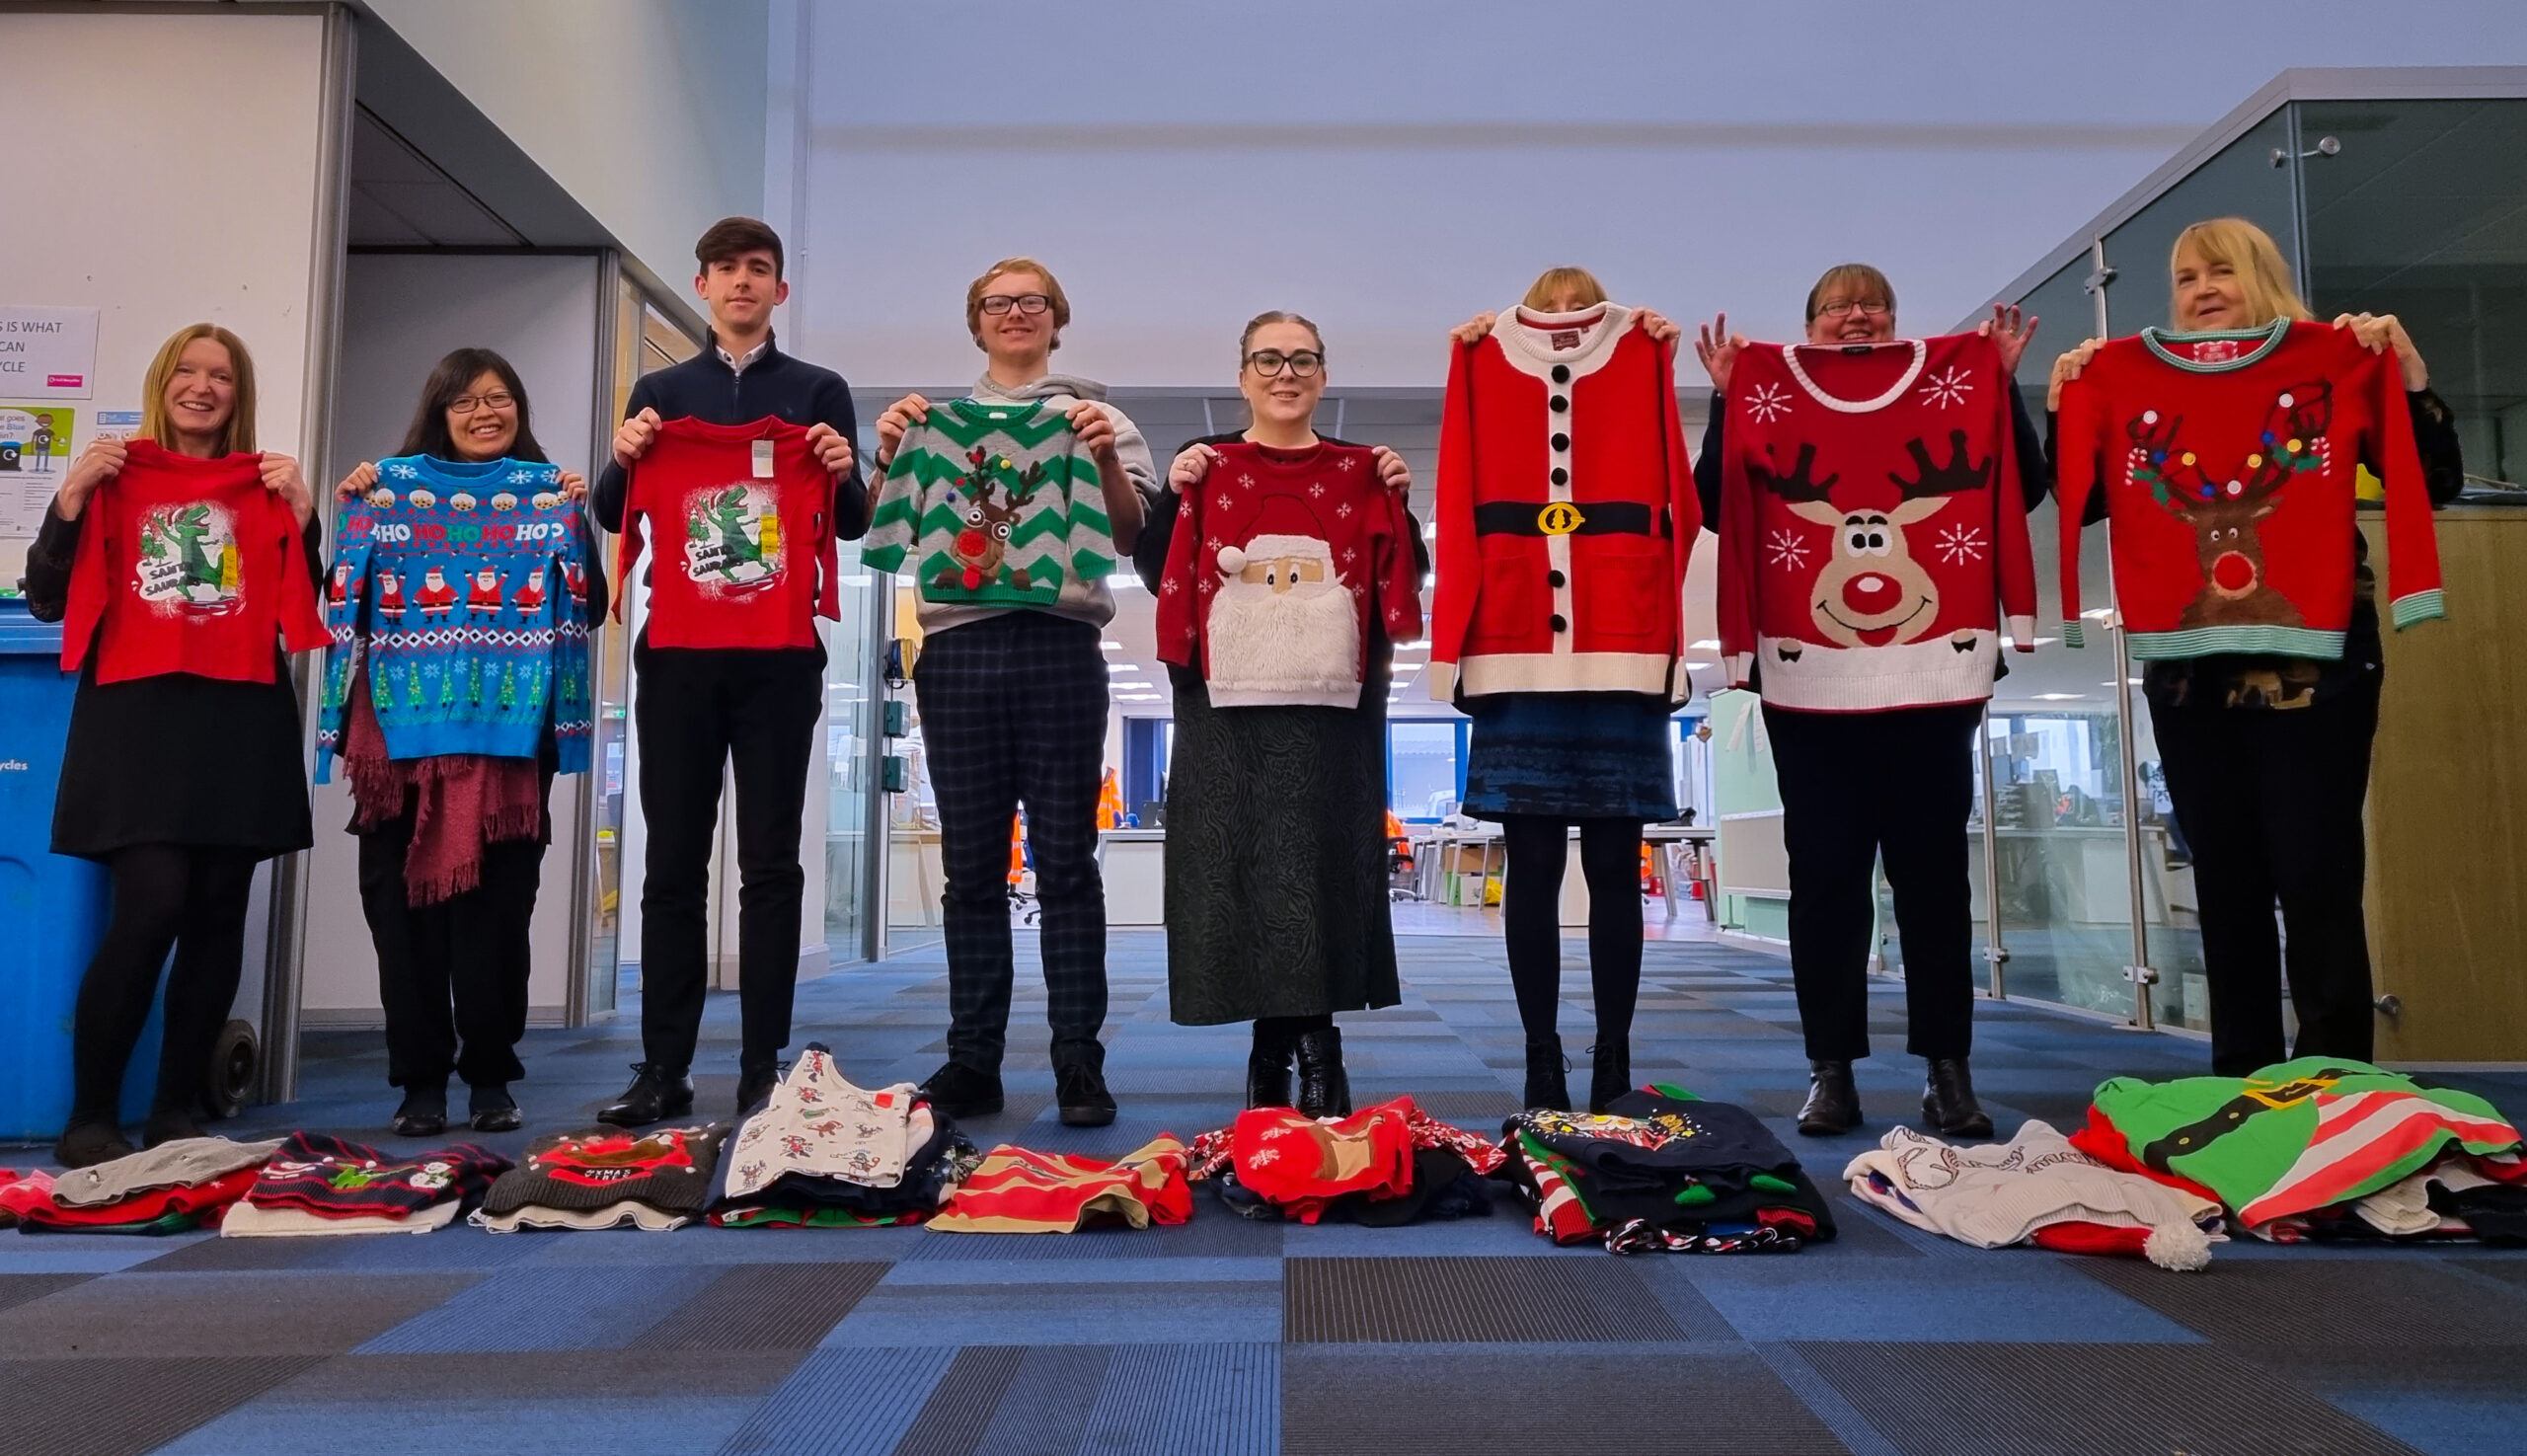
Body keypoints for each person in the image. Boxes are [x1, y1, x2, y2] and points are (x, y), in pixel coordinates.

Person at [2048, 217, 2463, 1076]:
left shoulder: (2334, 360)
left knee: (2317, 875)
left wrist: (2406, 375)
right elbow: (2083, 499)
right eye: (2185, 278)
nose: (2200, 290)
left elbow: (2438, 479)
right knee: (2224, 878)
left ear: (2262, 277)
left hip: (2322, 662)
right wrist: (2068, 408)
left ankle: (2337, 1080)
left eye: (2220, 273)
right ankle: (2238, 1076)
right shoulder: (2132, 377)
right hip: (2187, 672)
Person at [1689, 265, 2043, 1139]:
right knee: (1827, 883)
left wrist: (2000, 383)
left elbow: (2021, 485)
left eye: (1874, 304)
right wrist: (1730, 400)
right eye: (1838, 307)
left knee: (1934, 881)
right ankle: (1832, 1068)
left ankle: (1947, 1072)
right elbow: (1712, 505)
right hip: (1807, 682)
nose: (1859, 317)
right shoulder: (1769, 394)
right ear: (1810, 327)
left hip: (1934, 676)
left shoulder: (1951, 384)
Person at [25, 324, 320, 1167]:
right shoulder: (117, 477)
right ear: (164, 382)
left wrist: (302, 516)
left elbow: (305, 604)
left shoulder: (265, 485)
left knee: (218, 912)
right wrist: (72, 496)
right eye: (187, 371)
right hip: (137, 722)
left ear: (239, 392)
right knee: (150, 905)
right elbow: (47, 600)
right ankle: (90, 1111)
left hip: (239, 716)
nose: (203, 386)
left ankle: (176, 1107)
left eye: (221, 375)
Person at [591, 216, 865, 1125]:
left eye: (759, 270)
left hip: (781, 659)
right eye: (726, 270)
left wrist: (842, 464)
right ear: (702, 285)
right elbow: (610, 508)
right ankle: (662, 1065)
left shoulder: (819, 389)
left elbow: (854, 519)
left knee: (771, 865)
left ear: (779, 291)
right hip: (676, 657)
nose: (742, 283)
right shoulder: (662, 391)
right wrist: (623, 455)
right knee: (670, 864)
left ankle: (762, 1064)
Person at [871, 257, 1154, 1127]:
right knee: (970, 871)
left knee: (1066, 861)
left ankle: (1078, 1058)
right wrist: (888, 456)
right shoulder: (930, 423)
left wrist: (1103, 458)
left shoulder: (1099, 418)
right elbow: (884, 520)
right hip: (956, 648)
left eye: (1033, 301)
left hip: (1062, 643)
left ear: (1057, 318)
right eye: (999, 303)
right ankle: (973, 1060)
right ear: (977, 321)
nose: (1016, 314)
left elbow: (1132, 534)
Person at [1134, 311, 1421, 1115]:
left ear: (1324, 376)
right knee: (1244, 867)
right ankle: (1281, 1044)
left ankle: (1308, 1047)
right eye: (1269, 358)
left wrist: (1400, 497)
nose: (1285, 372)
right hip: (1225, 706)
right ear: (1242, 374)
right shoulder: (1206, 467)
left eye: (1302, 360)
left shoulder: (1366, 468)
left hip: (1336, 703)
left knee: (1319, 862)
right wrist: (1173, 491)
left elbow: (1408, 570)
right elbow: (1157, 566)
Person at [1438, 268, 1691, 1113]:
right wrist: (1455, 645)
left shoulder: (1644, 350)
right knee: (1534, 863)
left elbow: (1680, 503)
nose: (1558, 323)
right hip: (1513, 641)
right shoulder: (1477, 357)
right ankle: (1540, 1054)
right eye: (1545, 312)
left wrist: (1670, 638)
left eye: (1569, 311)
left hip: (1623, 638)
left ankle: (1613, 1054)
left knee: (1618, 863)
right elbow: (1454, 487)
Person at [330, 349, 600, 1136]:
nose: (486, 412)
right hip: (396, 746)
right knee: (400, 920)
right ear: (439, 413)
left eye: (500, 398)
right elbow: (338, 596)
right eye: (467, 402)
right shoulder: (387, 491)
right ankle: (418, 1082)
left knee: (497, 920)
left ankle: (489, 1074)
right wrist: (355, 505)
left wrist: (575, 520)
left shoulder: (547, 493)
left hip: (511, 747)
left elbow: (587, 605)